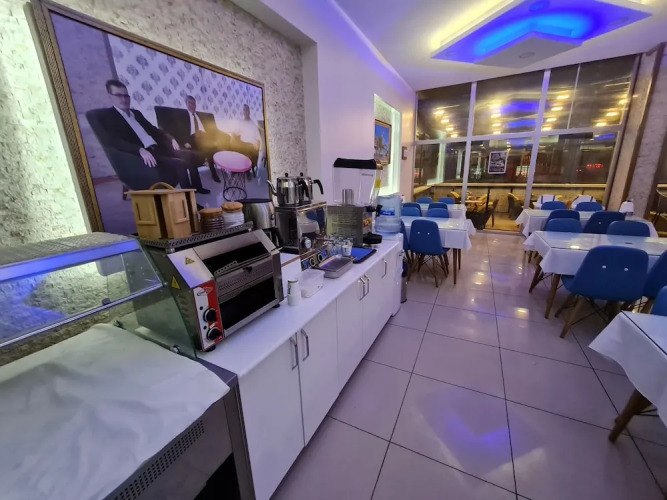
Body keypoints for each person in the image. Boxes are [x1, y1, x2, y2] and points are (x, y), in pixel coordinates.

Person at [94, 80, 210, 194]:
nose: (124, 99)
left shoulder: (136, 113)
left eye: (126, 96)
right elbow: (114, 141)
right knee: (180, 164)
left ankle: (197, 188)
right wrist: (139, 149)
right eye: (118, 95)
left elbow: (155, 130)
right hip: (146, 154)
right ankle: (188, 197)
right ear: (110, 96)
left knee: (190, 156)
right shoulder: (109, 116)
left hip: (160, 148)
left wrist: (171, 139)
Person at [176, 95, 230, 183]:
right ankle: (214, 173)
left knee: (216, 144)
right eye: (190, 103)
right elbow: (179, 131)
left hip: (205, 136)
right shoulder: (183, 116)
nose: (193, 105)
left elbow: (212, 129)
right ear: (186, 104)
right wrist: (185, 141)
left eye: (194, 104)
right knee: (209, 147)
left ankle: (224, 167)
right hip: (193, 138)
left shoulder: (200, 116)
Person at [231, 104, 261, 171]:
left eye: (247, 110)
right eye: (244, 110)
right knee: (234, 151)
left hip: (250, 145)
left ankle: (244, 170)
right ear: (243, 112)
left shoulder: (253, 124)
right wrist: (232, 135)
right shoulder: (241, 122)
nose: (245, 111)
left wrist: (256, 142)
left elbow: (258, 138)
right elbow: (236, 132)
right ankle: (236, 169)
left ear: (249, 111)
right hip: (242, 144)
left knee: (245, 154)